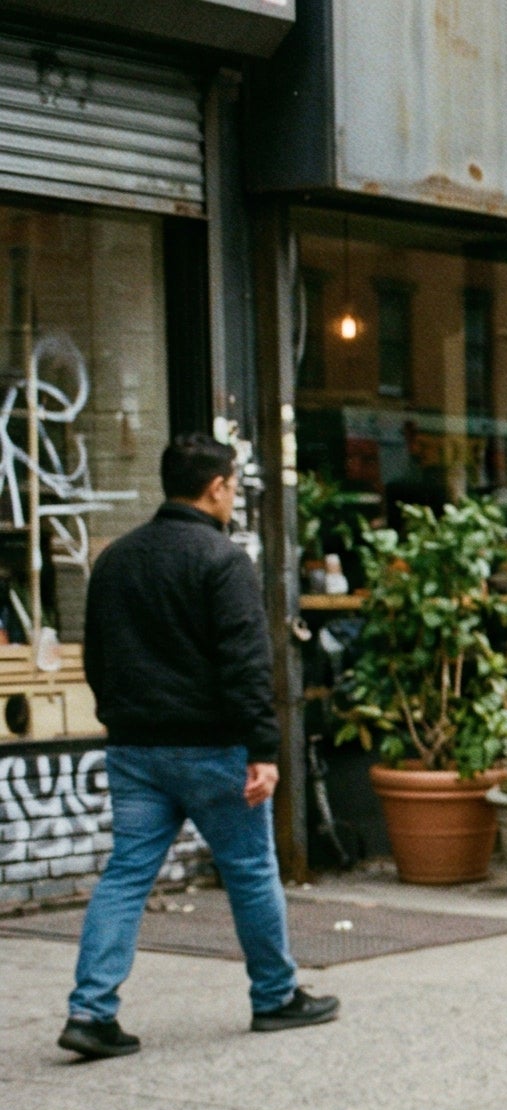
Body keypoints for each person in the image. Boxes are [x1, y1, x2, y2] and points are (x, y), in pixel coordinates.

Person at [60, 435, 339, 1060]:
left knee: (127, 874)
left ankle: (90, 1010)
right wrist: (263, 749)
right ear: (215, 487)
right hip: (213, 749)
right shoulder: (221, 559)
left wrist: (120, 717)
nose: (234, 495)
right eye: (234, 485)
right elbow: (246, 663)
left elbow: (96, 658)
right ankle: (274, 995)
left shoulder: (117, 559)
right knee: (250, 869)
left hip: (136, 749)